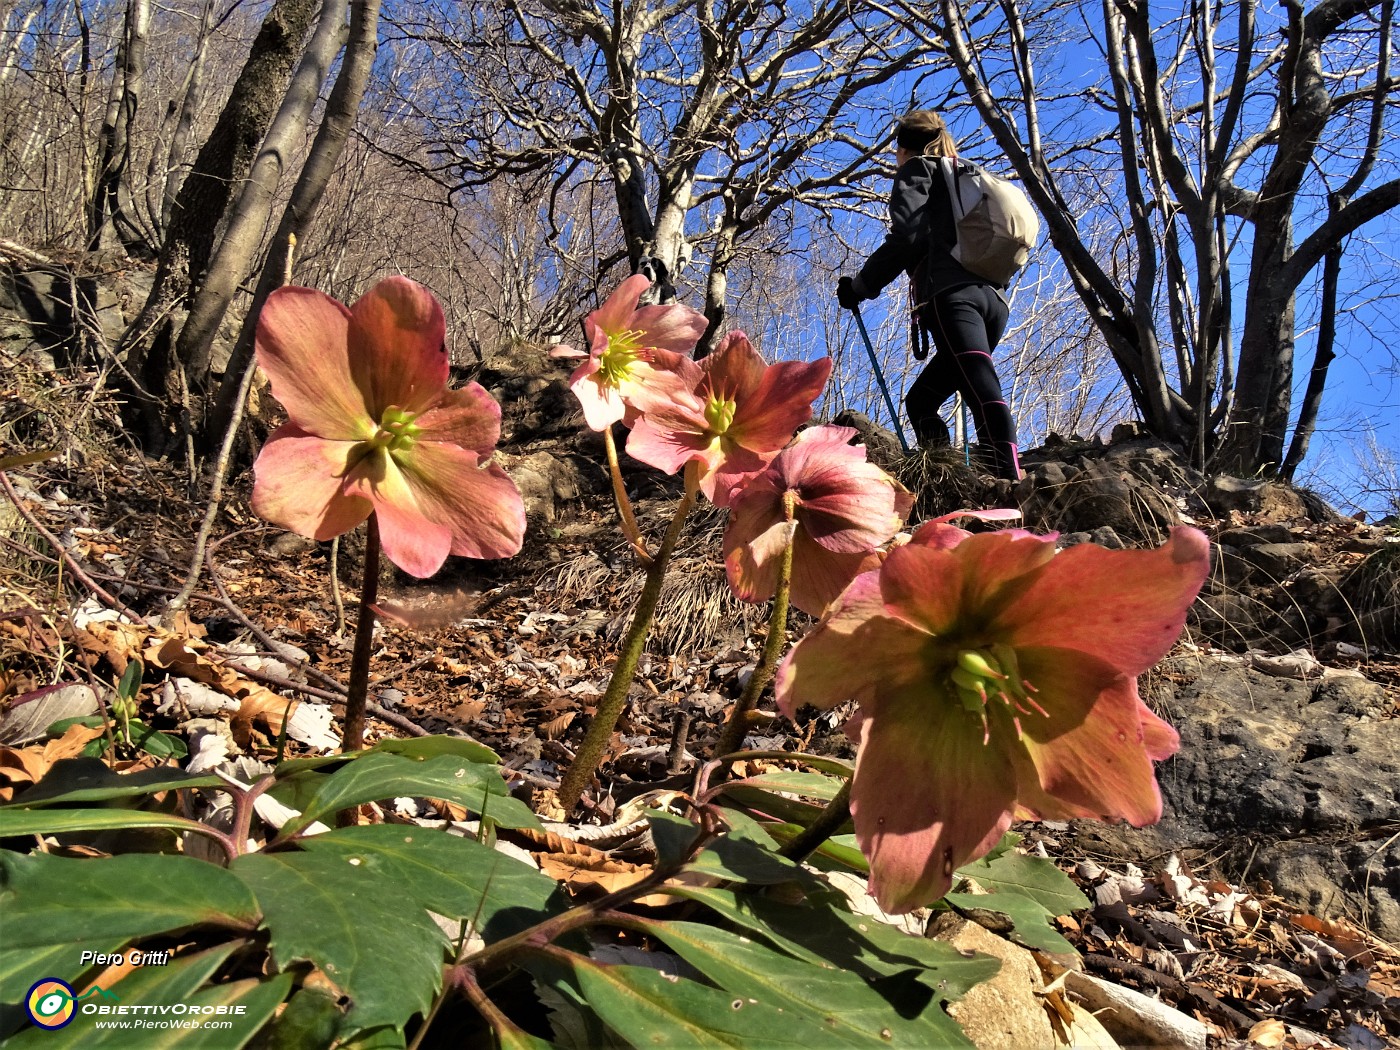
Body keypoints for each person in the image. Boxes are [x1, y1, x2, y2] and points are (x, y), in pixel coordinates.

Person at [837, 110, 1021, 482]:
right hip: (994, 302)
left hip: (953, 298)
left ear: (903, 148)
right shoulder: (964, 176)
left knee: (981, 389)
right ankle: (945, 479)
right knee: (921, 402)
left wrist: (859, 287)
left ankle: (1008, 483)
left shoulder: (919, 169)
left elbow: (906, 237)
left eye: (896, 152)